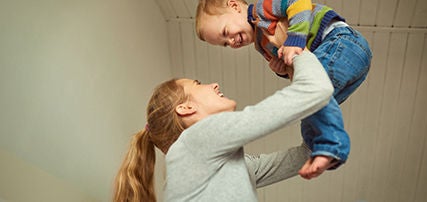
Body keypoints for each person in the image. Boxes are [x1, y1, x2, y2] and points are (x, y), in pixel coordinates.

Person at [195, 0, 373, 179]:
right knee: (308, 113)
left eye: (225, 32)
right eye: (224, 44)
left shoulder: (263, 9)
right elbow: (298, 66)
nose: (231, 42)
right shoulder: (261, 46)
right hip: (348, 65)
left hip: (340, 42)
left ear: (234, 6)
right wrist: (282, 68)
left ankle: (332, 146)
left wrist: (295, 38)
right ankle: (318, 150)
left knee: (307, 95)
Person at [113, 50, 333, 202]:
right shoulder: (196, 138)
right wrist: (299, 50)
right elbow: (315, 90)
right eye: (198, 84)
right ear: (186, 108)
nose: (214, 84)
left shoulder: (230, 163)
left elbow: (308, 153)